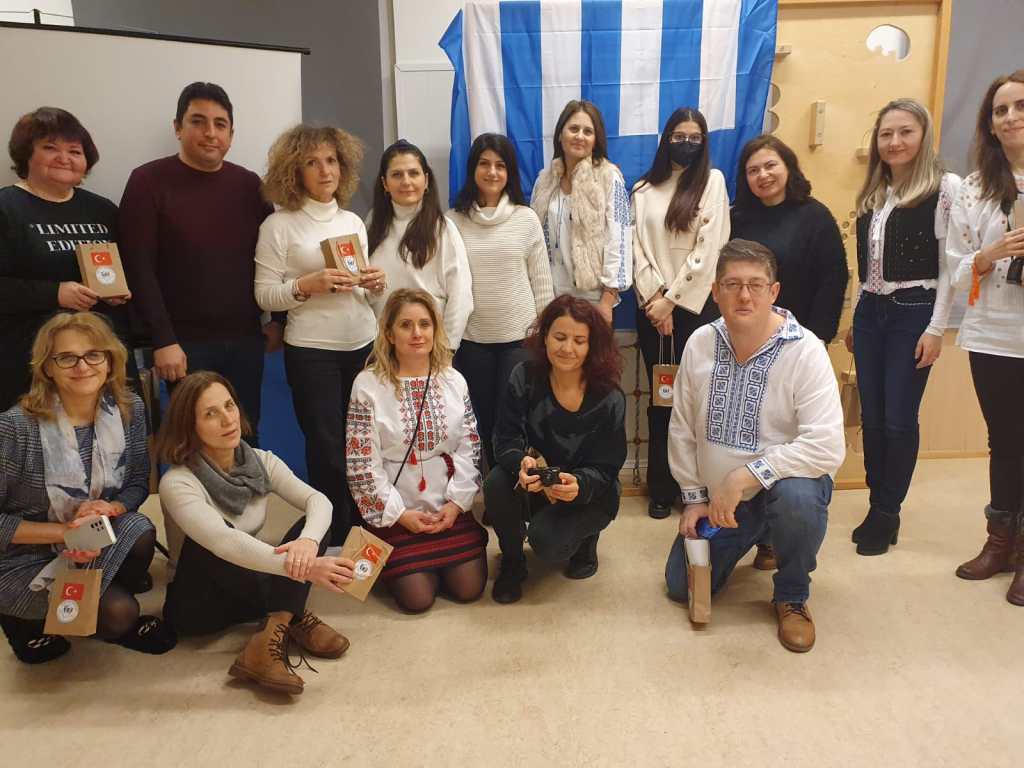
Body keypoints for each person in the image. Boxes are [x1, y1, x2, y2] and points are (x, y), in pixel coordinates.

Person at [664, 240, 845, 653]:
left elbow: (826, 445)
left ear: (773, 291)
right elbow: (682, 427)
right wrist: (693, 498)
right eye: (732, 284)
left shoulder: (806, 350)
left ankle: (792, 594)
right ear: (715, 291)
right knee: (679, 586)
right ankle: (765, 534)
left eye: (755, 285)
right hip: (722, 504)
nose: (744, 296)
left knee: (797, 498)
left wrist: (745, 476)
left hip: (780, 488)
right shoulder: (700, 342)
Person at [158, 371, 352, 696]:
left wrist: (307, 544)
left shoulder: (260, 461)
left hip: (249, 581)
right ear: (190, 427)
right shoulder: (178, 482)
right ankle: (292, 613)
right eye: (210, 414)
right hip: (199, 603)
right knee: (222, 540)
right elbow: (224, 542)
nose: (227, 419)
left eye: (229, 406)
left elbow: (318, 501)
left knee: (315, 525)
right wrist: (305, 569)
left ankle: (273, 630)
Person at [0, 312, 174, 664]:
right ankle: (21, 620)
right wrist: (66, 533)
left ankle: (96, 588)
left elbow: (137, 483)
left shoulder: (129, 408)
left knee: (141, 531)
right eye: (66, 357)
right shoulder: (15, 427)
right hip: (23, 553)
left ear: (110, 361)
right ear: (47, 367)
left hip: (91, 533)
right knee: (120, 614)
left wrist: (110, 508)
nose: (82, 366)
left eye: (94, 354)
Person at [119, 81, 276, 442]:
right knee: (195, 441)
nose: (210, 133)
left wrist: (279, 321)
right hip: (183, 345)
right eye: (198, 121)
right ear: (178, 128)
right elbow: (138, 266)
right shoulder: (148, 181)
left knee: (244, 435)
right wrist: (163, 339)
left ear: (231, 134)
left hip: (246, 340)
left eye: (220, 124)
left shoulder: (249, 185)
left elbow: (277, 254)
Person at [254, 123, 384, 546]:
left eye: (331, 160)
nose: (325, 170)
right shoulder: (278, 226)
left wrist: (374, 284)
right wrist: (304, 286)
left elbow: (361, 290)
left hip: (362, 343)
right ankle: (335, 535)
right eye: (312, 162)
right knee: (326, 446)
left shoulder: (352, 221)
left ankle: (366, 530)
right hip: (312, 350)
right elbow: (263, 294)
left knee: (363, 442)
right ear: (295, 170)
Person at [845, 98, 961, 556]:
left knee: (898, 418)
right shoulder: (875, 193)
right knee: (872, 417)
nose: (895, 142)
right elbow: (865, 268)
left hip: (914, 310)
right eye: (886, 134)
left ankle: (887, 511)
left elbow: (950, 266)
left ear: (924, 136)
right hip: (871, 312)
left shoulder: (944, 187)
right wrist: (855, 316)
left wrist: (936, 328)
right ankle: (878, 503)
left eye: (905, 132)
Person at [346, 289, 487, 613]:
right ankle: (409, 565)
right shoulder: (367, 385)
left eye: (424, 324)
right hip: (398, 508)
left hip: (446, 507)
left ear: (435, 330)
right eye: (406, 325)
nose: (417, 333)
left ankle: (431, 563)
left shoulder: (453, 380)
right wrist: (399, 515)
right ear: (389, 333)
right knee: (417, 600)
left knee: (469, 589)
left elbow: (469, 446)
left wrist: (456, 505)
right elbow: (361, 462)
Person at [485, 294, 627, 604]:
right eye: (560, 337)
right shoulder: (524, 376)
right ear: (545, 336)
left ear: (592, 346)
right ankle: (512, 562)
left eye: (579, 340)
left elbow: (607, 466)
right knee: (496, 482)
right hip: (538, 481)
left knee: (547, 543)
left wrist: (580, 485)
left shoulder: (609, 396)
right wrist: (520, 463)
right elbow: (505, 439)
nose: (567, 348)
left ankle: (586, 540)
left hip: (590, 491)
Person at [948, 70, 1024, 606]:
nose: (1011, 117)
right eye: (1001, 110)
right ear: (990, 124)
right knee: (1004, 440)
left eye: (1020, 106)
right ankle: (1000, 543)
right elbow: (954, 269)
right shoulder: (974, 188)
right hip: (993, 333)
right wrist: (986, 256)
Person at [632, 107, 730, 521]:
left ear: (703, 142)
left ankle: (697, 488)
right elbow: (635, 248)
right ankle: (661, 486)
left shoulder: (712, 181)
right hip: (651, 310)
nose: (686, 144)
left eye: (694, 137)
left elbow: (710, 249)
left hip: (694, 310)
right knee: (662, 402)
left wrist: (671, 300)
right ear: (665, 140)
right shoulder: (642, 189)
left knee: (698, 402)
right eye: (678, 136)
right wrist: (655, 299)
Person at [0, 107, 132, 411]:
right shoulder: (6, 208)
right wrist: (54, 293)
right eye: (50, 148)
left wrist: (117, 293)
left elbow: (119, 269)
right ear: (26, 155)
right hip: (30, 362)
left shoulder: (103, 210)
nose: (64, 158)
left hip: (99, 360)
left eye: (75, 151)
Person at [448, 133, 554, 470]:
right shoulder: (452, 221)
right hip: (472, 340)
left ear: (509, 172)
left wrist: (546, 334)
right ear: (472, 169)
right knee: (481, 421)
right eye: (484, 164)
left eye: (500, 165)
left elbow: (541, 283)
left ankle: (518, 487)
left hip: (520, 338)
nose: (492, 172)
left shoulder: (526, 218)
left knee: (515, 422)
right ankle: (493, 486)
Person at [731, 134, 848, 343]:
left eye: (770, 165)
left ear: (788, 166)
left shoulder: (816, 216)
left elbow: (832, 279)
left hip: (798, 335)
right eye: (753, 170)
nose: (763, 175)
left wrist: (819, 337)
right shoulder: (737, 218)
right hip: (745, 332)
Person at [531, 100, 632, 324]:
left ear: (596, 140)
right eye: (573, 129)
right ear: (560, 134)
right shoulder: (544, 181)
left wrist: (607, 301)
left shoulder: (609, 177)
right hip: (551, 299)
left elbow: (620, 240)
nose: (580, 136)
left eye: (588, 131)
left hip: (594, 302)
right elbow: (534, 241)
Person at [366, 139, 473, 349]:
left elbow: (461, 298)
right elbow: (367, 292)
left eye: (413, 173)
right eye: (397, 175)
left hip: (427, 348)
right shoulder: (371, 224)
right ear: (385, 183)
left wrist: (446, 350)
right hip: (382, 347)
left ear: (426, 180)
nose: (406, 181)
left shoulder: (443, 229)